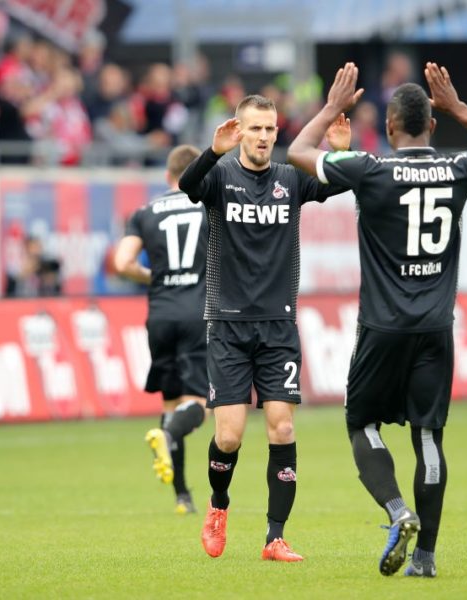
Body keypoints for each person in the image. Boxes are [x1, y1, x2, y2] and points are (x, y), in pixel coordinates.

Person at [287, 62, 467, 577]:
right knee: (429, 438)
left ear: (389, 127)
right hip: (436, 330)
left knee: (361, 423)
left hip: (382, 328)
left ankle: (398, 511)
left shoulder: (370, 169)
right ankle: (426, 558)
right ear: (431, 126)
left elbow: (298, 153)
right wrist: (457, 106)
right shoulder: (458, 168)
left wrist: (332, 108)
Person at [177, 94, 350, 562]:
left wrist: (339, 153)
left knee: (283, 428)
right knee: (229, 436)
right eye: (255, 128)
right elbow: (188, 186)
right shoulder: (219, 178)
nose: (264, 137)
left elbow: (337, 185)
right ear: (239, 130)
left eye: (270, 129)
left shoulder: (290, 180)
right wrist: (211, 152)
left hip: (278, 326)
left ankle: (275, 537)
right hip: (228, 327)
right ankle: (218, 505)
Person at [113, 144, 209, 515]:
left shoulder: (144, 212)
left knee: (170, 403)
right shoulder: (207, 206)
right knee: (200, 404)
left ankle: (182, 496)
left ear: (168, 175)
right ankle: (169, 434)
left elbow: (122, 262)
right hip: (199, 313)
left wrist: (151, 276)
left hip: (160, 316)